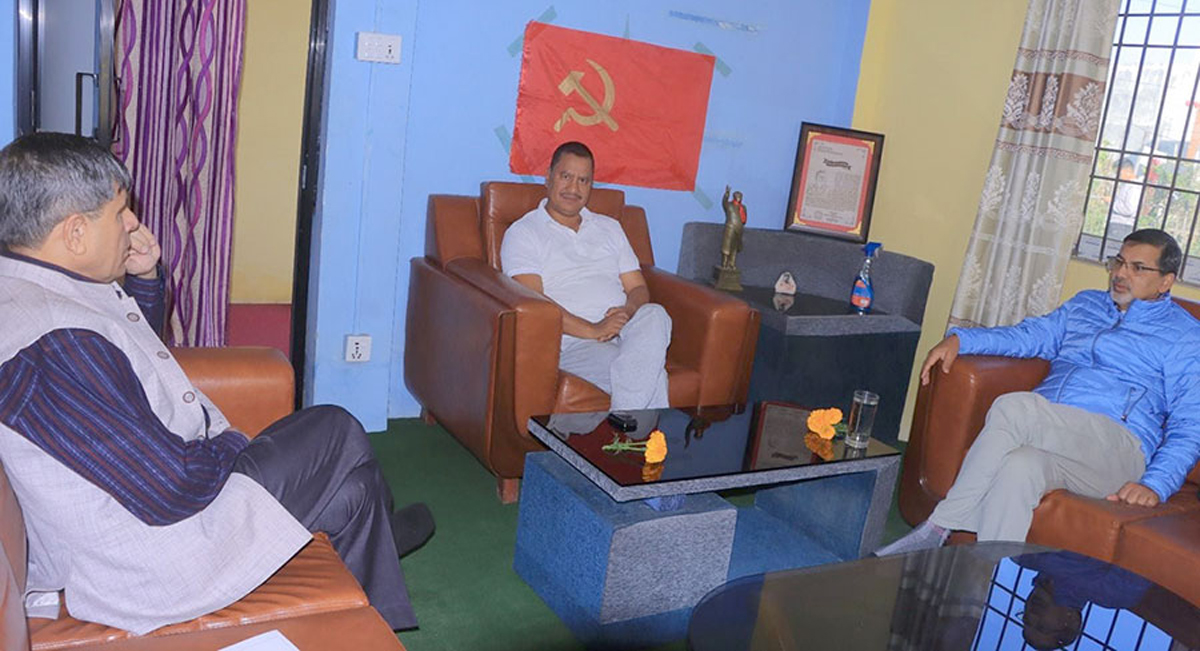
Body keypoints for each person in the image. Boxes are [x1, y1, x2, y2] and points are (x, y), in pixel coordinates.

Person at [0, 133, 433, 634]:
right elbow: (170, 488)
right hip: (157, 559)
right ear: (75, 233)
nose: (133, 222)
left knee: (354, 491)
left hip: (150, 520)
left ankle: (376, 561)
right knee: (335, 428)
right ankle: (380, 538)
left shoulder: (35, 288)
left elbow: (124, 365)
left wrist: (142, 281)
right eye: (120, 213)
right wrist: (234, 443)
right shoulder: (54, 348)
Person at [876, 228, 1200, 555]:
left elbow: (1191, 424)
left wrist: (1154, 484)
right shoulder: (1086, 305)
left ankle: (938, 526)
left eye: (1137, 268)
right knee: (1020, 467)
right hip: (1055, 430)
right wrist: (962, 339)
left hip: (1118, 447)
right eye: (1119, 262)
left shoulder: (1185, 337)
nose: (1120, 274)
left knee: (1015, 409)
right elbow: (1030, 336)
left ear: (1166, 281)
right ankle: (980, 574)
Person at [500, 141, 671, 410]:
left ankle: (626, 424)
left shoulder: (610, 227)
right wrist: (594, 329)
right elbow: (535, 302)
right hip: (573, 343)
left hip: (626, 332)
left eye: (583, 180)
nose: (574, 188)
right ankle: (631, 429)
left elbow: (638, 287)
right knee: (654, 377)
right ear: (548, 177)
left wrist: (627, 311)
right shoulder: (524, 233)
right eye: (566, 176)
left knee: (656, 315)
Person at [720, 185, 746, 269]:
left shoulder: (742, 207)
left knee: (734, 248)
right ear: (734, 197)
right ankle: (724, 263)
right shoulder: (729, 205)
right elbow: (724, 203)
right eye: (738, 196)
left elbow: (744, 219)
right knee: (726, 247)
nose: (739, 198)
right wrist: (726, 195)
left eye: (740, 196)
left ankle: (732, 264)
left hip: (739, 229)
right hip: (730, 228)